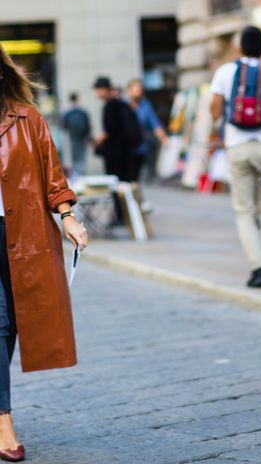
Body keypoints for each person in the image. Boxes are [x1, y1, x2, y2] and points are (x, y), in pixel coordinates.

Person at [0, 44, 88, 461]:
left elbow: (52, 174)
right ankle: (3, 422)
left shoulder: (28, 119)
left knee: (14, 322)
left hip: (25, 234)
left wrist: (68, 216)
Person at [210, 26, 261, 289]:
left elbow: (216, 111)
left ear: (240, 47)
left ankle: (258, 268)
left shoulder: (225, 71)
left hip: (237, 146)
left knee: (244, 210)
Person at [93, 76, 143, 182]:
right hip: (127, 151)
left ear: (104, 90)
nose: (96, 93)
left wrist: (98, 140)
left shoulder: (110, 106)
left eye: (97, 89)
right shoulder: (121, 104)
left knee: (116, 183)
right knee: (126, 182)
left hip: (115, 153)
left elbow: (109, 130)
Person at [126, 79, 168, 182]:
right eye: (136, 90)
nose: (139, 92)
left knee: (141, 177)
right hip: (126, 148)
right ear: (129, 91)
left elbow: (155, 124)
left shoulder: (145, 105)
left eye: (140, 90)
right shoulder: (123, 105)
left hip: (141, 146)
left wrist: (164, 139)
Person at [62, 92, 91, 177]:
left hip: (73, 136)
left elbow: (64, 125)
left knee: (74, 155)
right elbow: (88, 125)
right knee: (81, 155)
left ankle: (76, 174)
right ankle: (81, 172)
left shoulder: (68, 112)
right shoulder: (83, 112)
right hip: (82, 137)